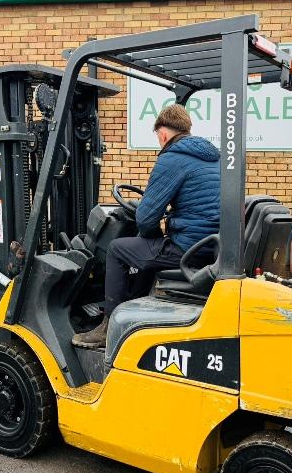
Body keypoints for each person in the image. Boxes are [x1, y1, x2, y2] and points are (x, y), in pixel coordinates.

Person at [72, 104, 220, 348]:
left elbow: (146, 219)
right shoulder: (214, 157)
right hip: (211, 245)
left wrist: (150, 234)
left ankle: (109, 327)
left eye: (158, 137)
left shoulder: (173, 159)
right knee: (147, 249)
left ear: (163, 133)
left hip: (189, 248)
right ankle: (134, 310)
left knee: (118, 249)